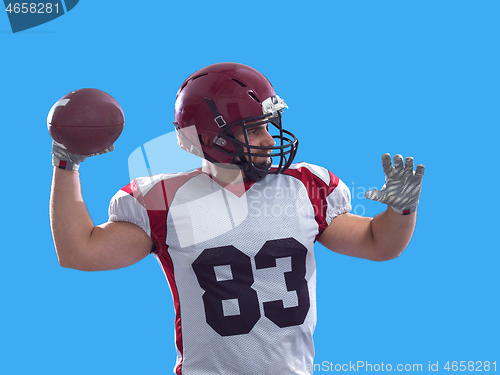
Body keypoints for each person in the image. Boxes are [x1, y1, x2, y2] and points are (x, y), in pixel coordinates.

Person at [49, 62, 425, 374]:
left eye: (268, 124)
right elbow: (80, 252)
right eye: (254, 129)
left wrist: (402, 209)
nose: (268, 139)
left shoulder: (305, 187)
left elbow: (379, 243)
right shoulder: (165, 200)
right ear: (213, 137)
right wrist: (67, 163)